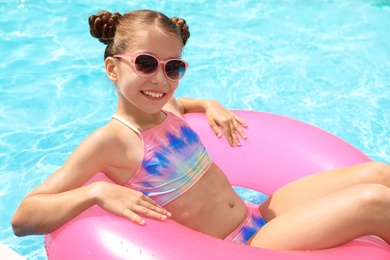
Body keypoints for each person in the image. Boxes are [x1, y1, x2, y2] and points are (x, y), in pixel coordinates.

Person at [12, 9, 390, 251]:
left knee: (378, 175)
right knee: (373, 202)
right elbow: (24, 216)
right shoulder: (111, 142)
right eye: (145, 64)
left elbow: (182, 102)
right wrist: (95, 192)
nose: (160, 79)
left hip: (256, 214)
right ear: (113, 69)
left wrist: (209, 104)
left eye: (172, 67)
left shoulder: (166, 108)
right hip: (242, 244)